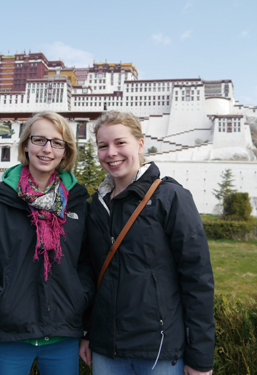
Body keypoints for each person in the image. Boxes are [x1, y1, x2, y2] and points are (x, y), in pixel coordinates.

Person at [0, 111, 94, 375]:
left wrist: (80, 297)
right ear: (25, 145)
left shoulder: (78, 203)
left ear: (65, 151)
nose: (47, 149)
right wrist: (0, 301)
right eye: (39, 140)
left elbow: (88, 262)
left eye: (56, 142)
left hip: (63, 335)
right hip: (12, 334)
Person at [80, 111, 215, 375]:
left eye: (121, 143)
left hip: (159, 351)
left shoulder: (170, 197)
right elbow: (91, 274)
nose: (111, 153)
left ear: (140, 144)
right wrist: (87, 331)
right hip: (108, 350)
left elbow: (197, 279)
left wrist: (200, 357)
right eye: (103, 146)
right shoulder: (96, 205)